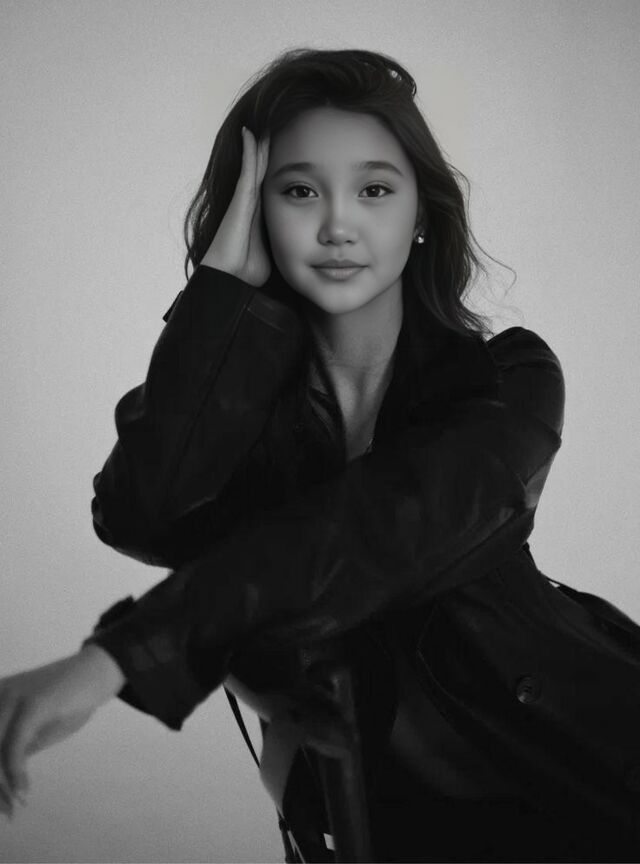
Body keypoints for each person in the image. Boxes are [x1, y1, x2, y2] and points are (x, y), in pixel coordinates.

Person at [1, 48, 640, 862]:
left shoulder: (506, 382)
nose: (338, 225)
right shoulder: (236, 416)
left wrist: (117, 661)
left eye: (374, 190)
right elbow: (143, 516)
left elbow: (375, 531)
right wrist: (219, 291)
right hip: (370, 830)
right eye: (299, 191)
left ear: (421, 213)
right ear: (256, 214)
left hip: (587, 784)